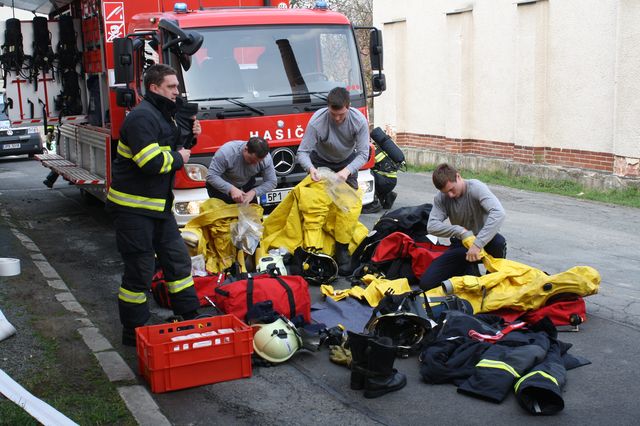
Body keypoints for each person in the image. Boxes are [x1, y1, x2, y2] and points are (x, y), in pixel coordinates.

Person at [106, 64, 201, 346]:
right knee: (139, 271)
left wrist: (192, 135)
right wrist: (182, 157)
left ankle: (189, 316)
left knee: (178, 262)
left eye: (177, 86)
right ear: (154, 87)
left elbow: (171, 145)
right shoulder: (141, 118)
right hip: (133, 210)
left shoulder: (162, 114)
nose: (177, 92)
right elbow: (152, 163)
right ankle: (133, 331)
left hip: (158, 208)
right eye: (171, 87)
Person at [296, 86, 369, 275]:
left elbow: (363, 153)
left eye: (341, 114)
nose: (337, 118)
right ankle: (312, 248)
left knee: (350, 206)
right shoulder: (317, 122)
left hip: (347, 163)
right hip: (320, 163)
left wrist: (346, 171)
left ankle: (342, 248)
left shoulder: (359, 121)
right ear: (328, 107)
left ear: (349, 106)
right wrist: (310, 169)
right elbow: (303, 152)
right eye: (333, 114)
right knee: (313, 205)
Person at [419, 163, 507, 290]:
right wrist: (460, 230)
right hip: (461, 244)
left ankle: (493, 280)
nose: (450, 195)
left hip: (485, 243)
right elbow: (432, 226)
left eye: (451, 189)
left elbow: (499, 213)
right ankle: (468, 270)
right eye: (445, 192)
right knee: (426, 283)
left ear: (458, 177)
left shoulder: (476, 188)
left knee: (499, 242)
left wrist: (477, 244)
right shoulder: (441, 198)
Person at [205, 137, 276, 204]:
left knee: (253, 215)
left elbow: (271, 182)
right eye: (252, 160)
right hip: (220, 187)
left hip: (246, 185)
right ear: (246, 149)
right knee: (227, 216)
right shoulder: (227, 153)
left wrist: (253, 192)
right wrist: (231, 189)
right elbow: (211, 176)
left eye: (258, 162)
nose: (254, 164)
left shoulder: (266, 159)